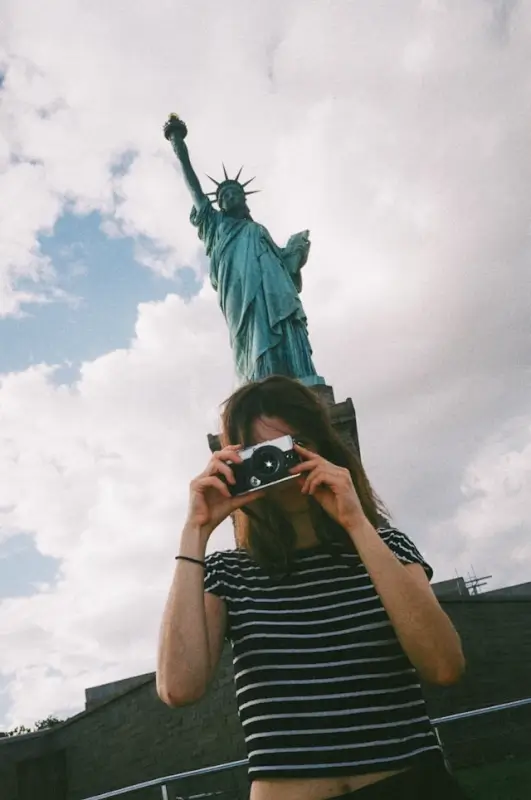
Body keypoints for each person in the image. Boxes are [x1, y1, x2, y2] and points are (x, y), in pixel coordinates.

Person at [157, 376, 469, 799]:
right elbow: (178, 687)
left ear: (323, 446)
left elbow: (444, 666)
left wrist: (357, 523)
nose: (280, 465)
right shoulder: (227, 573)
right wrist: (195, 530)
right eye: (261, 455)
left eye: (294, 445)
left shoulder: (384, 546)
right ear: (235, 463)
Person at [163, 115, 324, 387]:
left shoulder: (257, 230)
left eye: (235, 193)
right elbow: (193, 186)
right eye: (223, 196)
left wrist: (296, 249)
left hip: (275, 291)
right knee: (253, 333)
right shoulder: (215, 225)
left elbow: (284, 262)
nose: (229, 197)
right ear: (220, 204)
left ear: (244, 199)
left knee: (286, 323)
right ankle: (261, 382)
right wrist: (178, 145)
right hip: (239, 292)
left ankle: (300, 375)